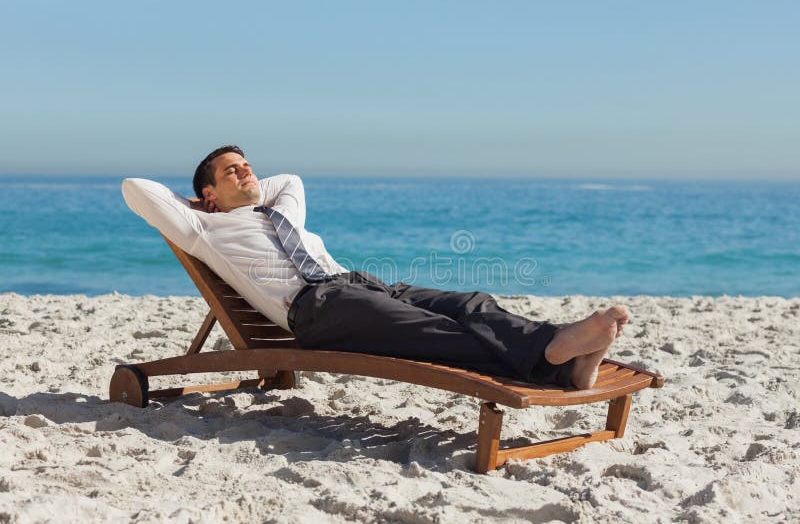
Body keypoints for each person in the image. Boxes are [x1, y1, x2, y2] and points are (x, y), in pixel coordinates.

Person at [122, 145, 629, 389]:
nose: (248, 171)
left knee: (468, 303)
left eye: (248, 164)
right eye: (233, 170)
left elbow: (290, 178)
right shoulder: (204, 230)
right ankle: (555, 355)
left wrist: (243, 189)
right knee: (432, 331)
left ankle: (560, 351)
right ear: (208, 193)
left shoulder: (279, 210)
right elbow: (136, 189)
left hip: (357, 282)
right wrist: (202, 206)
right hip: (317, 306)